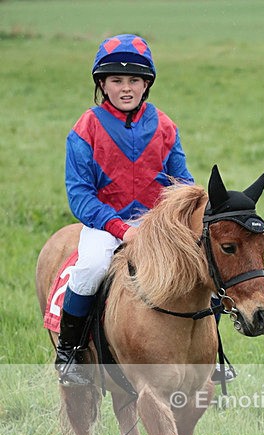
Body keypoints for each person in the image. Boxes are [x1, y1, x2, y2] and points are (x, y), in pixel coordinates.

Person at [56, 33, 195, 385]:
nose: (126, 88)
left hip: (156, 228)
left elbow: (183, 183)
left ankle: (209, 354)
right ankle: (70, 353)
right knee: (90, 267)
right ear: (102, 84)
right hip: (105, 226)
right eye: (116, 80)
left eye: (134, 79)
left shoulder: (165, 126)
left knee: (200, 268)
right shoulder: (85, 128)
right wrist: (120, 228)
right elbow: (80, 195)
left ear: (146, 84)